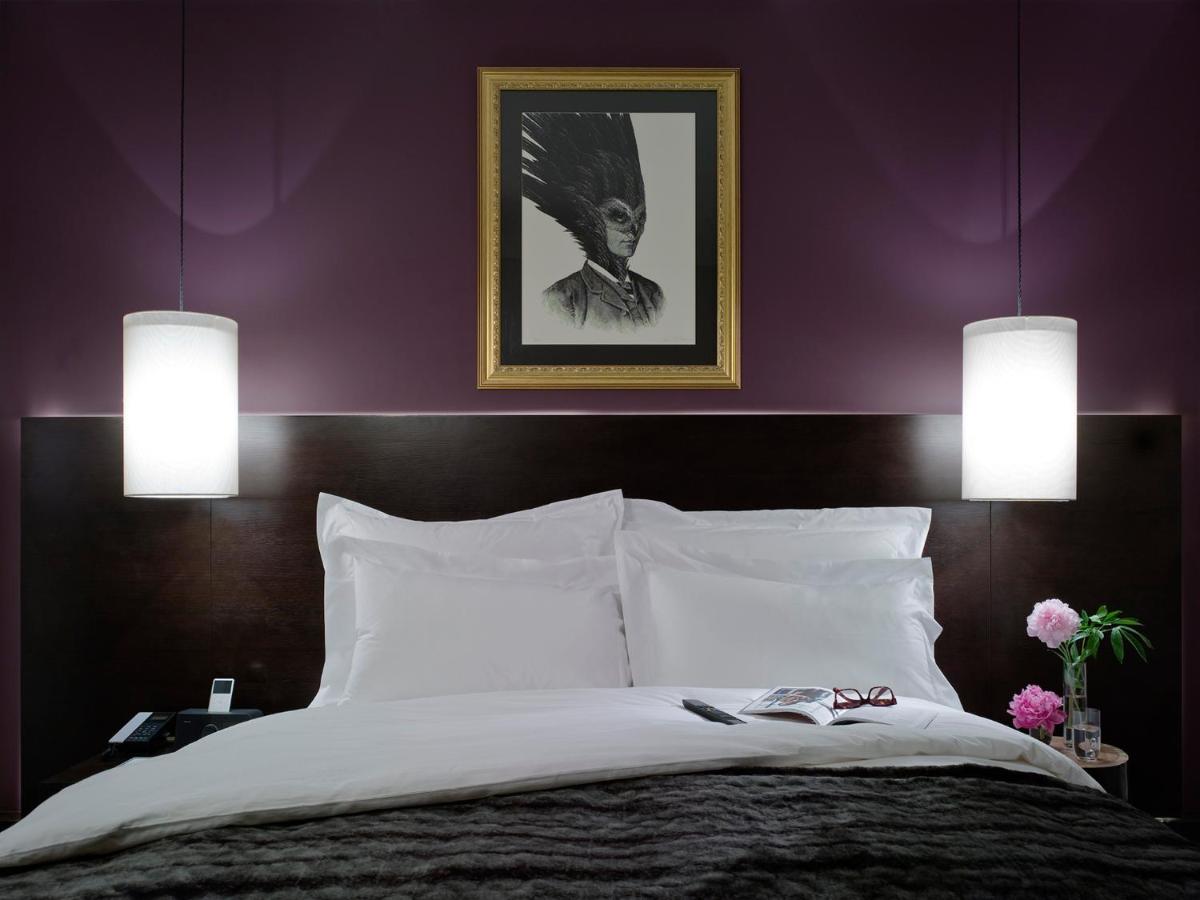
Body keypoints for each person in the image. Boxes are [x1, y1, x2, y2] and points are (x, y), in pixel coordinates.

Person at [522, 112, 664, 330]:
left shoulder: (653, 293)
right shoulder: (563, 298)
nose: (634, 231)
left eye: (641, 216)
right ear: (588, 215)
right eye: (619, 216)